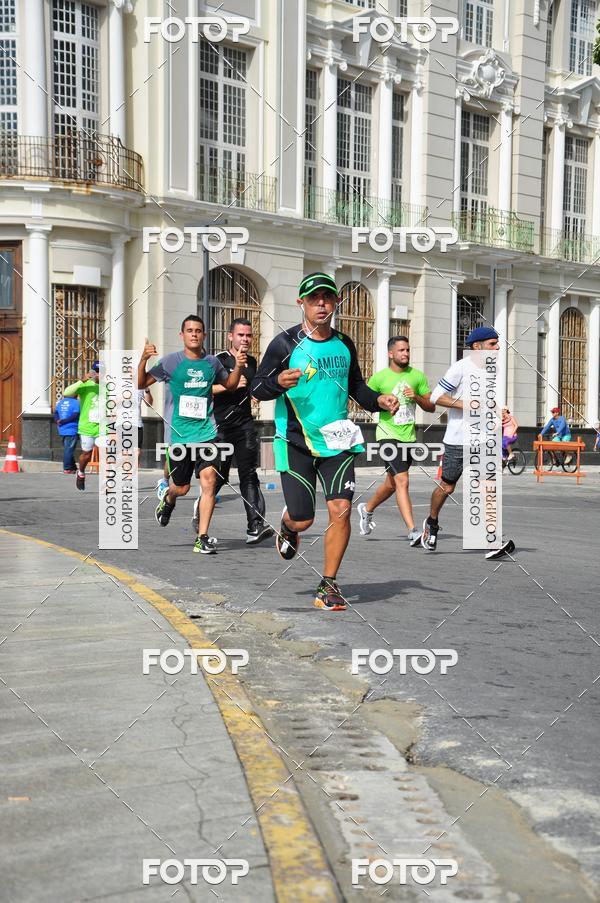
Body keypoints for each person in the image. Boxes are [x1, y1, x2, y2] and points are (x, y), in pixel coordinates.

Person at [251, 272, 399, 612]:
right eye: (314, 298)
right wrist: (277, 381)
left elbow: (357, 388)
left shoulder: (345, 344)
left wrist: (378, 401)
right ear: (300, 302)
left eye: (328, 298)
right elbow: (256, 389)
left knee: (341, 510)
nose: (322, 304)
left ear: (335, 303)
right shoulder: (285, 344)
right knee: (305, 520)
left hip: (339, 441)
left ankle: (328, 584)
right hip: (296, 441)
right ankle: (290, 525)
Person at [138, 315, 246, 554]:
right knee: (182, 488)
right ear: (182, 335)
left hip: (207, 433)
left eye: (198, 330)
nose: (194, 334)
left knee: (209, 481)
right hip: (180, 436)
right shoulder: (170, 363)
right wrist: (143, 359)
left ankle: (202, 537)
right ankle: (168, 499)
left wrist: (238, 365)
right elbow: (141, 382)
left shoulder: (211, 363)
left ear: (204, 335)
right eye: (189, 330)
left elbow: (229, 385)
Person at [421, 327, 514, 559]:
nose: (498, 347)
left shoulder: (494, 369)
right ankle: (431, 522)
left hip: (484, 440)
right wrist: (466, 404)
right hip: (457, 440)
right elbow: (435, 397)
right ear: (477, 346)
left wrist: (499, 411)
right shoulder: (460, 368)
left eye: (497, 343)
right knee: (447, 486)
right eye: (493, 343)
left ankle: (490, 540)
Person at [357, 335, 434, 545]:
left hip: (408, 436)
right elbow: (366, 401)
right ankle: (413, 530)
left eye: (408, 350)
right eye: (401, 350)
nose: (406, 354)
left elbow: (431, 406)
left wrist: (416, 397)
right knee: (403, 480)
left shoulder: (417, 376)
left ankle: (367, 509)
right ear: (391, 353)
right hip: (387, 434)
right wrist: (382, 404)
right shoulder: (379, 378)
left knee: (391, 484)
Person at [208, 317, 274, 544]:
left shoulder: (253, 362)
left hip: (245, 425)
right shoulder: (217, 361)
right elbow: (204, 390)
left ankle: (254, 526)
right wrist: (229, 386)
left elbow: (255, 389)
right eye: (240, 335)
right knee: (220, 476)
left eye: (248, 335)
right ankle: (202, 508)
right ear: (230, 336)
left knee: (249, 474)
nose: (245, 339)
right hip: (221, 427)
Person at [63, 362, 100, 491]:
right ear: (93, 372)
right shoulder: (86, 385)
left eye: (102, 371)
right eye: (96, 371)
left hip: (105, 427)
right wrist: (81, 381)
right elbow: (67, 392)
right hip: (87, 426)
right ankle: (81, 472)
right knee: (86, 455)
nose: (99, 374)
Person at [53, 394, 80, 474]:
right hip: (72, 429)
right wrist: (64, 421)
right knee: (69, 449)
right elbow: (75, 415)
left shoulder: (60, 402)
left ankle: (73, 467)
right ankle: (67, 468)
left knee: (68, 449)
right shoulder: (76, 402)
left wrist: (58, 421)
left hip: (62, 429)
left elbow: (56, 413)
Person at [134, 386, 153, 466]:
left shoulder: (140, 386)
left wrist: (147, 391)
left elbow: (149, 404)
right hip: (122, 423)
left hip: (137, 423)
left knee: (136, 452)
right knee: (124, 453)